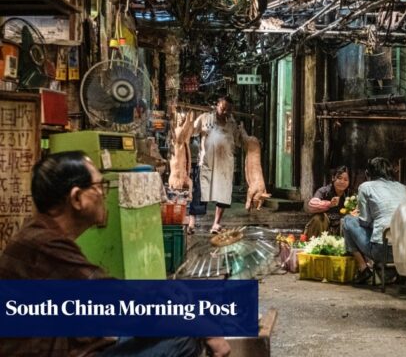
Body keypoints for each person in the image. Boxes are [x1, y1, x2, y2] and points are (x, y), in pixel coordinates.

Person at [0, 151, 230, 357]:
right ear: (77, 198)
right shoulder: (43, 244)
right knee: (183, 339)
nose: (103, 194)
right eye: (99, 187)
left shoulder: (39, 235)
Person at [343, 157, 406, 284]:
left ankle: (363, 269)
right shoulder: (403, 187)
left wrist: (363, 217)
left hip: (382, 251)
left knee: (348, 220)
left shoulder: (366, 187)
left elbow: (364, 221)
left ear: (368, 173)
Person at [193, 95, 247, 234]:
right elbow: (192, 131)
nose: (225, 112)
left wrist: (244, 133)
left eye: (228, 110)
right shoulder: (205, 118)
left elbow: (239, 142)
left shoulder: (232, 124)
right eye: (223, 108)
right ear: (217, 106)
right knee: (199, 193)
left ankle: (216, 224)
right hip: (207, 162)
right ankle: (191, 222)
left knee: (222, 195)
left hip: (225, 164)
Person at [305, 165, 351, 237]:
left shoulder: (351, 195)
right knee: (318, 218)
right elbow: (311, 205)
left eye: (346, 180)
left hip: (341, 228)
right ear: (333, 178)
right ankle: (315, 245)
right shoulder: (324, 191)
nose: (342, 182)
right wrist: (329, 204)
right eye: (339, 178)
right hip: (323, 228)